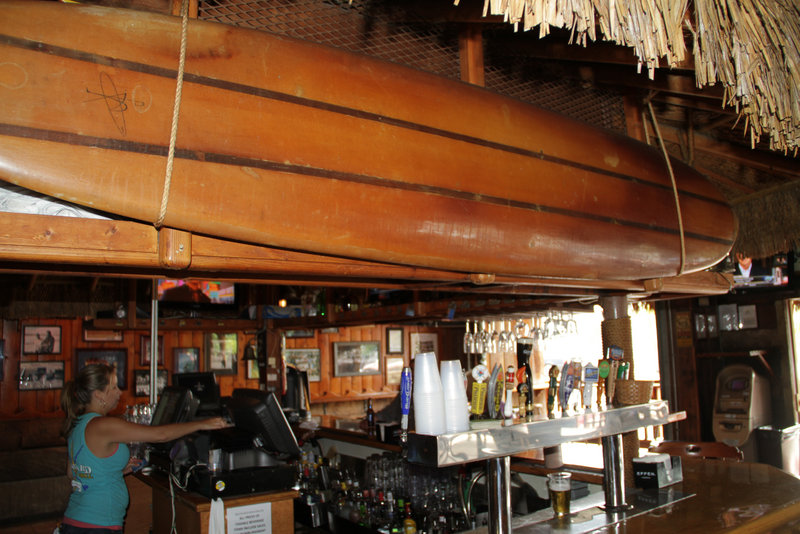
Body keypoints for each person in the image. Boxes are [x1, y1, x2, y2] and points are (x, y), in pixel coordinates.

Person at [60, 363, 228, 533]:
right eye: (114, 387)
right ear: (99, 394)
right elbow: (160, 435)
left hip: (77, 520)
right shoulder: (102, 425)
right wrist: (202, 424)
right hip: (97, 525)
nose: (119, 392)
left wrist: (113, 470)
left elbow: (72, 472)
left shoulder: (78, 424)